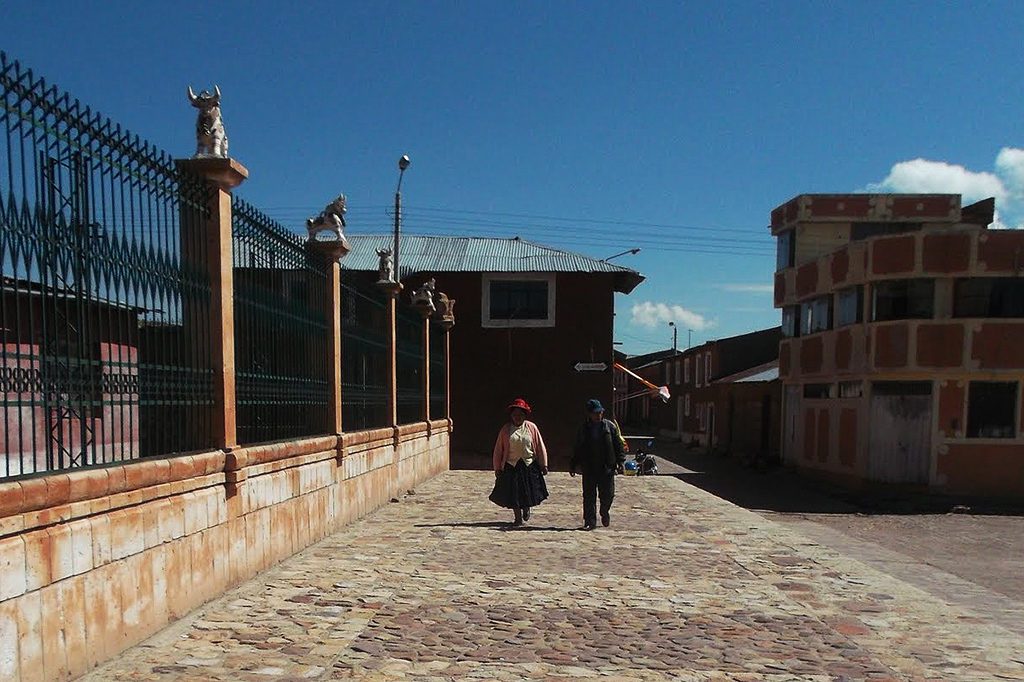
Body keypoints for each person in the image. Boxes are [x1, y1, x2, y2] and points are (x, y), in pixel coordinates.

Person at [489, 398, 550, 526]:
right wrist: (497, 468)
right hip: (511, 465)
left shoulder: (531, 428)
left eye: (520, 415)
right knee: (514, 493)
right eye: (515, 415)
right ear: (511, 416)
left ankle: (526, 507)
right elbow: (498, 449)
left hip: (528, 464)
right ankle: (517, 518)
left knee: (527, 491)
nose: (517, 417)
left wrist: (543, 464)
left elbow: (539, 446)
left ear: (525, 416)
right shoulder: (506, 430)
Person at [570, 398, 625, 530]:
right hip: (589, 467)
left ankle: (604, 511)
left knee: (608, 494)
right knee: (589, 495)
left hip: (607, 467)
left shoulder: (610, 427)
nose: (598, 415)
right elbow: (578, 447)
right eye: (595, 413)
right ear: (589, 414)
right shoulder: (583, 429)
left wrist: (620, 461)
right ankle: (590, 521)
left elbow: (618, 445)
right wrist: (573, 464)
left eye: (600, 412)